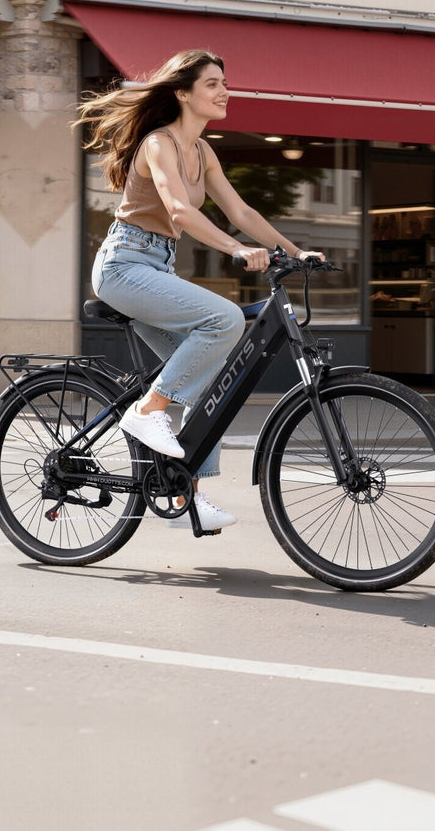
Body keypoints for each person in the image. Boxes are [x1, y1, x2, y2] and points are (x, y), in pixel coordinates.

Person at [77, 49, 323, 531]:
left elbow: (243, 213)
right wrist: (237, 251)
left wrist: (296, 252)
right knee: (225, 320)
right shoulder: (158, 143)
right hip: (124, 266)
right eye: (212, 83)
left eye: (224, 82)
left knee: (212, 375)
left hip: (158, 271)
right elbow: (181, 213)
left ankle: (180, 495)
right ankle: (148, 409)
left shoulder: (203, 151)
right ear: (183, 93)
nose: (224, 90)